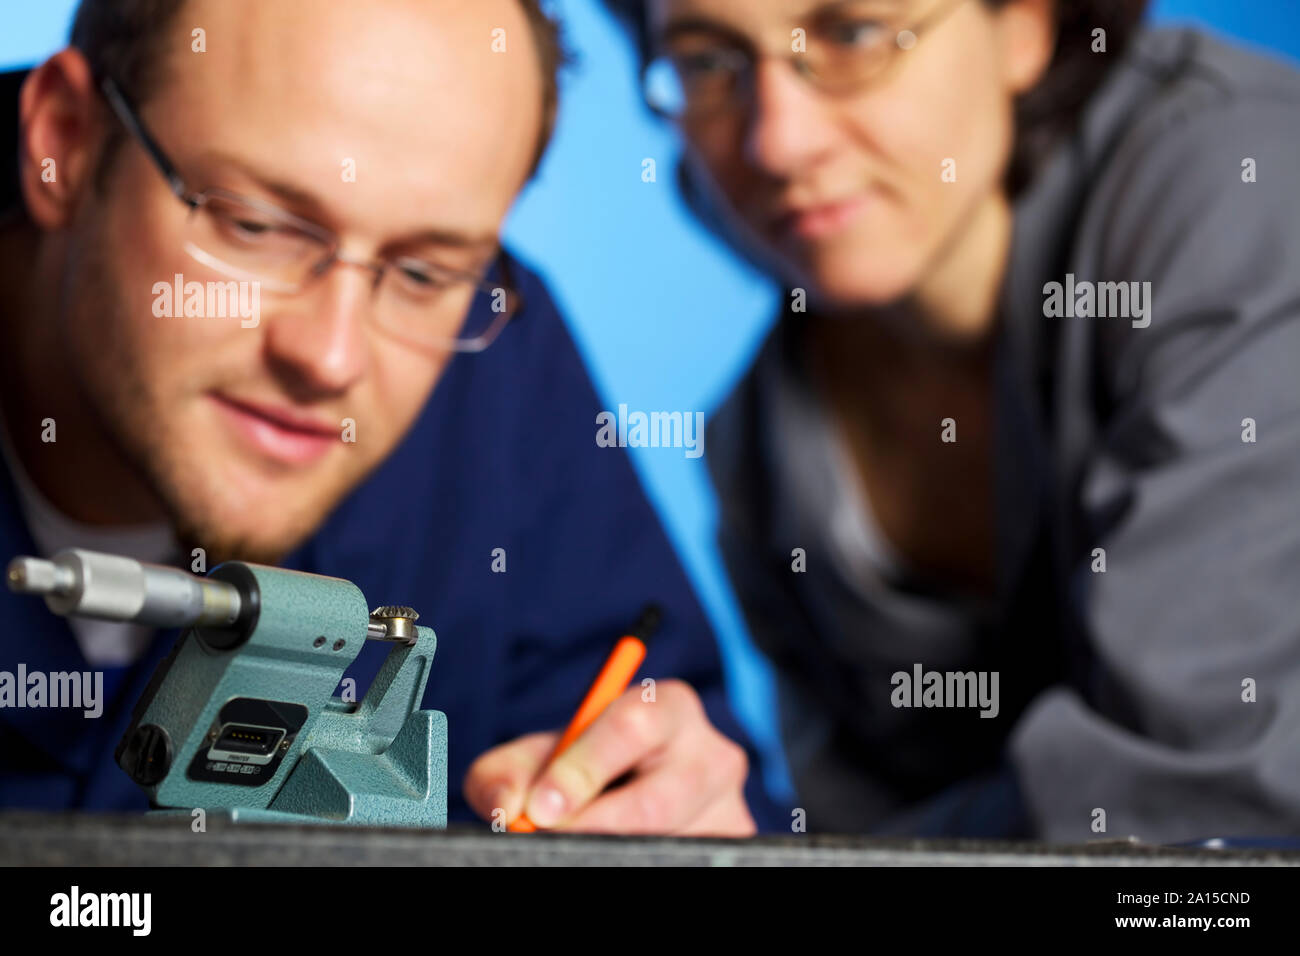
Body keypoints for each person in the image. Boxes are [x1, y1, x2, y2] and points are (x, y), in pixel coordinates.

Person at [0, 0, 780, 835]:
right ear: (68, 142)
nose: (331, 358)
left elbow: (674, 774)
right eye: (256, 226)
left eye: (423, 272)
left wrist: (675, 819)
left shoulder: (497, 358)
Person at [604, 0, 1300, 841]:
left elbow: (1186, 803)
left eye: (853, 35)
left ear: (1025, 27)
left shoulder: (1247, 182)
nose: (777, 143)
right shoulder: (754, 444)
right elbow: (852, 828)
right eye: (709, 63)